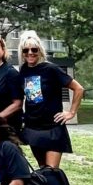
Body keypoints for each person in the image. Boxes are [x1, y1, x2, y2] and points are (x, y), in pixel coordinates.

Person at [18, 31, 84, 168]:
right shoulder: (23, 70)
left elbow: (79, 89)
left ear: (40, 51)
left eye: (34, 49)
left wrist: (71, 112)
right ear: (22, 53)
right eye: (26, 50)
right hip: (33, 129)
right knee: (42, 169)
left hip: (53, 128)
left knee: (51, 172)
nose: (30, 53)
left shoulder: (51, 69)